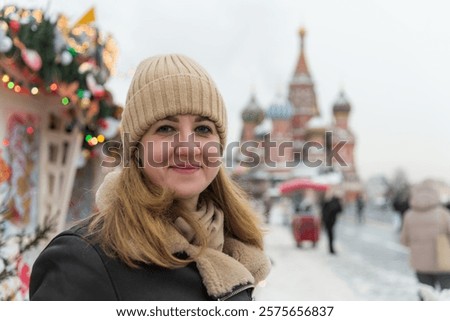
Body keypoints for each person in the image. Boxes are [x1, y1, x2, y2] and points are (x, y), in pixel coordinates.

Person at [29, 54, 271, 301]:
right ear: (136, 150)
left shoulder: (236, 250)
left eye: (203, 129)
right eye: (166, 128)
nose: (188, 147)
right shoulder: (83, 261)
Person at [400, 183, 450, 298]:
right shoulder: (443, 214)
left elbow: (404, 241)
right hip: (443, 262)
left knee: (426, 295)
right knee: (446, 295)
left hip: (420, 263)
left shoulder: (409, 215)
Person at [321, 189, 343, 255]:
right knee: (331, 235)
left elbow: (323, 210)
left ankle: (331, 248)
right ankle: (331, 249)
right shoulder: (335, 203)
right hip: (331, 221)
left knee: (330, 235)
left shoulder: (328, 202)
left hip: (327, 221)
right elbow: (340, 210)